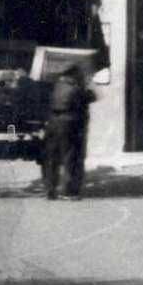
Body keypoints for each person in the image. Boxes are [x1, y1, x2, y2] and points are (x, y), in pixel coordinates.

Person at [44, 64, 95, 200]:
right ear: (73, 76)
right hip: (69, 126)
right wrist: (88, 85)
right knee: (70, 157)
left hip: (53, 124)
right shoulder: (75, 89)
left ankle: (50, 189)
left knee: (52, 158)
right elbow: (92, 96)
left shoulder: (56, 87)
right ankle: (69, 192)